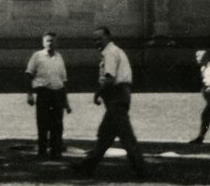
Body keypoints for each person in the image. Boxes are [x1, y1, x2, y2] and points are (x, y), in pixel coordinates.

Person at [75, 25, 146, 178]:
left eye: (100, 39)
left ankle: (141, 169)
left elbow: (109, 78)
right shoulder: (114, 51)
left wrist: (97, 93)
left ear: (108, 37)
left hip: (116, 96)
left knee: (126, 136)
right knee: (105, 136)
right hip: (120, 96)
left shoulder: (110, 53)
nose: (97, 42)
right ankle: (86, 166)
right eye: (94, 40)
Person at [25, 31, 71, 159]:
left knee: (57, 123)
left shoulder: (59, 57)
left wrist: (66, 103)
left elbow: (63, 81)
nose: (50, 43)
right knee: (43, 123)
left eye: (52, 41)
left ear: (56, 42)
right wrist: (29, 94)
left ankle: (56, 151)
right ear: (43, 42)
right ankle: (42, 151)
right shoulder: (37, 56)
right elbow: (28, 74)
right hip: (43, 93)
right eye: (48, 41)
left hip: (57, 94)